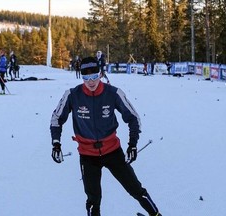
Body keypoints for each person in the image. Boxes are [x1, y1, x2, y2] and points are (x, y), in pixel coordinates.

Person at [50, 56, 162, 216]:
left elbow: (133, 118)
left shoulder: (113, 93)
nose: (91, 82)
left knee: (136, 189)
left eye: (94, 76)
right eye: (86, 77)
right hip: (88, 156)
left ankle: (156, 215)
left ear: (100, 74)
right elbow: (56, 118)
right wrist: (56, 143)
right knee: (93, 199)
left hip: (112, 151)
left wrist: (132, 144)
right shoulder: (73, 95)